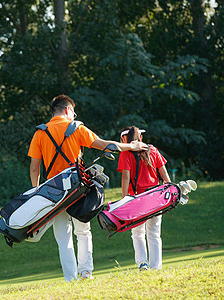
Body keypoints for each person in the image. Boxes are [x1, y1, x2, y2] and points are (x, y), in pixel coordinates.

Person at [27, 95, 148, 281]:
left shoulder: (40, 133)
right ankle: (85, 272)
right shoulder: (76, 129)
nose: (74, 116)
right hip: (77, 188)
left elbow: (35, 167)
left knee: (63, 238)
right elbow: (107, 146)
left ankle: (70, 278)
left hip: (53, 191)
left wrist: (36, 191)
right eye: (73, 113)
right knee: (82, 232)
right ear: (68, 110)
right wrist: (132, 146)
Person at [117, 125, 171, 271]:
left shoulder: (125, 153)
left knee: (137, 233)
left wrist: (124, 199)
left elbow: (125, 177)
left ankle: (142, 263)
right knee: (154, 233)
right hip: (155, 197)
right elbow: (163, 171)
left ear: (124, 139)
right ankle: (156, 267)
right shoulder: (152, 150)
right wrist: (169, 187)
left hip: (136, 200)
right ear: (140, 137)